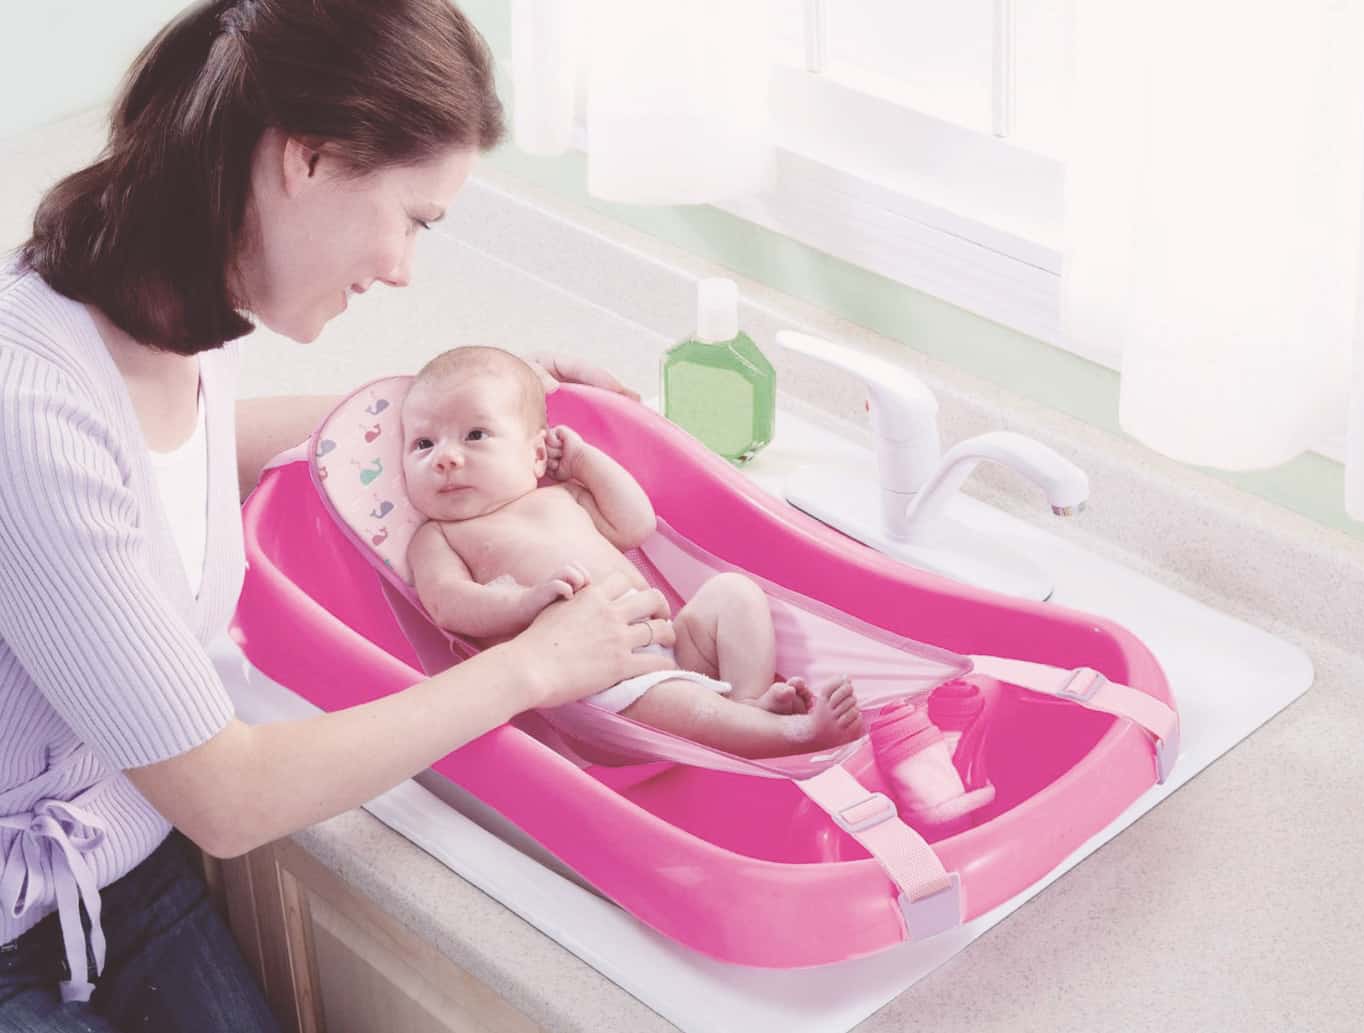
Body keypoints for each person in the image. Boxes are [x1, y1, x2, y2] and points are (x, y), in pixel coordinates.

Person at [0, 2, 674, 1029]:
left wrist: (460, 412)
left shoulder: (175, 300)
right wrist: (535, 666)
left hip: (122, 852)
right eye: (415, 217)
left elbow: (179, 451)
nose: (405, 267)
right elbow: (227, 797)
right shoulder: (25, 413)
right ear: (306, 160)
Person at [402, 347, 866, 759]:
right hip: (598, 687)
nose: (446, 458)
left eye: (475, 435)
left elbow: (636, 523)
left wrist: (585, 462)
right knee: (678, 701)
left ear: (537, 456)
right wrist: (523, 603)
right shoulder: (440, 536)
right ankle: (790, 735)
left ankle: (746, 705)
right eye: (423, 444)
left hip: (670, 646)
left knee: (734, 593)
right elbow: (448, 604)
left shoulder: (562, 496)